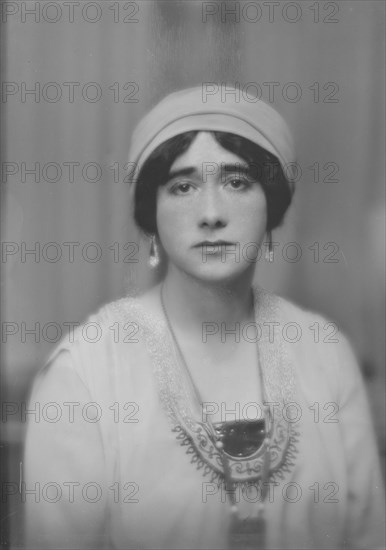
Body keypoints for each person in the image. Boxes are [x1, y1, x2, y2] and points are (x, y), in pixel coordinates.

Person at [24, 85, 385, 550]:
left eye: (237, 182)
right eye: (183, 186)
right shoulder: (86, 373)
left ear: (271, 207)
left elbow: (367, 537)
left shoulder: (323, 352)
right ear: (152, 216)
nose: (211, 214)